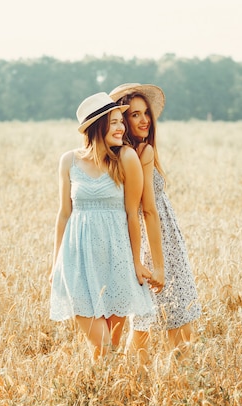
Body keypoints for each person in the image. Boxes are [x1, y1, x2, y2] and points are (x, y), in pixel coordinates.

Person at [49, 92, 162, 360]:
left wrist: (135, 261)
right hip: (77, 261)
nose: (121, 127)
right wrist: (55, 264)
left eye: (120, 121)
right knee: (104, 346)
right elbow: (64, 214)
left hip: (116, 260)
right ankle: (101, 391)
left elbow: (132, 214)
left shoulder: (126, 158)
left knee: (107, 348)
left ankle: (103, 397)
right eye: (113, 123)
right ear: (96, 127)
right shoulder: (69, 161)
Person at [110, 83, 202, 360]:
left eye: (145, 113)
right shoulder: (142, 153)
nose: (144, 120)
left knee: (144, 322)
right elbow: (149, 210)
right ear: (123, 121)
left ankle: (129, 387)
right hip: (160, 243)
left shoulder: (118, 155)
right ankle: (184, 387)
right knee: (179, 316)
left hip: (140, 243)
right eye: (135, 115)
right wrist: (159, 265)